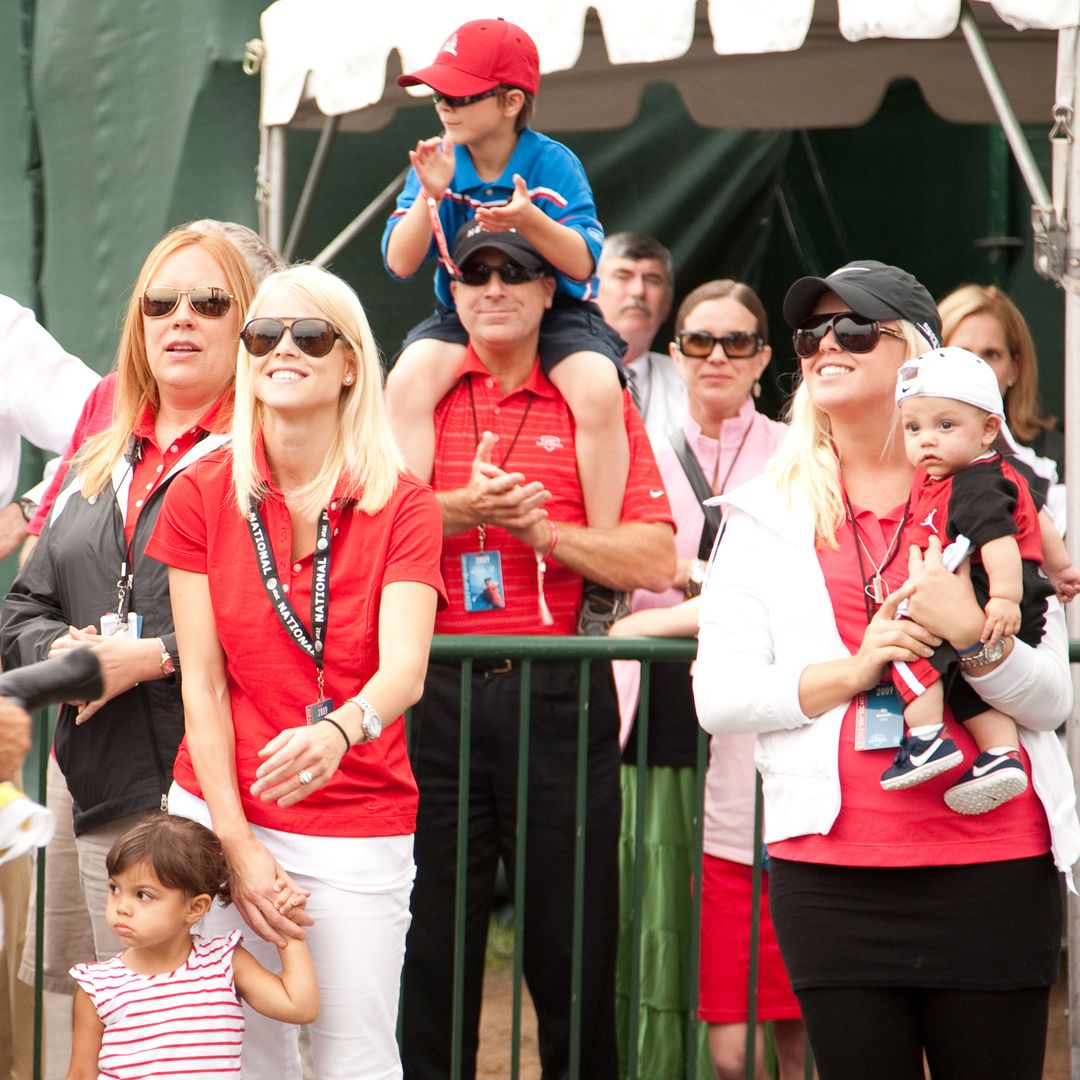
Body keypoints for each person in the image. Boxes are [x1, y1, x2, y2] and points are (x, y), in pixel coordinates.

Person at [693, 258, 1080, 1080]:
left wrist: (973, 634)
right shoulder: (764, 512)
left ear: (920, 358)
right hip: (830, 876)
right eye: (812, 332)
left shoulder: (1004, 497)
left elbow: (1051, 698)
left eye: (856, 329)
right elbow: (718, 697)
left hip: (995, 867)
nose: (827, 344)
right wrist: (856, 668)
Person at [146, 263, 444, 1079]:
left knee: (353, 1058)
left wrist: (341, 730)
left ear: (351, 362)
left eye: (309, 335)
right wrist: (237, 846)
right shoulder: (201, 492)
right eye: (264, 335)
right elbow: (201, 684)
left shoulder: (405, 504)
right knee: (226, 1059)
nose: (284, 349)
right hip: (215, 809)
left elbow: (404, 671)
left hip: (355, 821)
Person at [399, 224, 675, 1080]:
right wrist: (458, 509)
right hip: (432, 688)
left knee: (574, 950)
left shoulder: (589, 393)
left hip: (558, 689)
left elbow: (657, 559)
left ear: (550, 290)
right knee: (431, 946)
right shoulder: (423, 390)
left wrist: (543, 532)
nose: (493, 288)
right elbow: (365, 528)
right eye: (474, 272)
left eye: (515, 272)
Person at [0, 226, 257, 967]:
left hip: (211, 791)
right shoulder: (99, 448)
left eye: (209, 302)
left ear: (246, 322)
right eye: (160, 302)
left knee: (201, 1038)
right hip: (97, 780)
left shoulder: (267, 451)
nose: (181, 317)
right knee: (107, 1021)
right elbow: (24, 610)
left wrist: (150, 657)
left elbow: (294, 616)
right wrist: (70, 655)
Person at [610, 280, 805, 1080]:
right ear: (675, 352)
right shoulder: (641, 450)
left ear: (764, 357)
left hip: (756, 724)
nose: (716, 356)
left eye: (736, 342)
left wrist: (663, 611)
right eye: (698, 341)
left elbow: (787, 594)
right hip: (653, 706)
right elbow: (624, 571)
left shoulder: (797, 454)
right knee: (658, 895)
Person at [381, 17, 630, 535]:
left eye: (460, 95)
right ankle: (401, 540)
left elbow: (583, 264)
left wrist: (529, 220)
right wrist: (430, 193)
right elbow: (400, 264)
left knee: (599, 386)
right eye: (438, 96)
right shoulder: (436, 160)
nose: (444, 106)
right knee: (405, 378)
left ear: (511, 102)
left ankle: (602, 566)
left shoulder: (552, 161)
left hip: (554, 309)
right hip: (464, 311)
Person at [882, 347, 1077, 815]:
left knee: (909, 651)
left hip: (992, 598)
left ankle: (925, 737)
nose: (927, 441)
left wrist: (1005, 599)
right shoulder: (1004, 472)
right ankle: (1000, 755)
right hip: (1007, 601)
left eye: (945, 426)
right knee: (967, 685)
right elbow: (1040, 518)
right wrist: (1062, 569)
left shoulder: (971, 485)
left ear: (989, 428)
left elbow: (1000, 542)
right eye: (914, 428)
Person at [65, 815, 318, 1080]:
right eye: (115, 888)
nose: (121, 907)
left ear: (196, 907)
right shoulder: (96, 987)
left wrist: (287, 921)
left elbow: (299, 1007)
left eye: (143, 895)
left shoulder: (223, 964)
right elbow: (81, 1075)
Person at [939, 283, 1065, 480]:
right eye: (961, 353)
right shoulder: (907, 448)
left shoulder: (1059, 458)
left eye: (991, 355)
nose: (977, 367)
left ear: (1015, 369)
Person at [595, 233, 684, 442]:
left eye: (652, 280)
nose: (638, 291)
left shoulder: (690, 381)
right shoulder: (556, 372)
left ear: (667, 305)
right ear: (591, 291)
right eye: (622, 276)